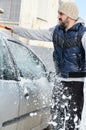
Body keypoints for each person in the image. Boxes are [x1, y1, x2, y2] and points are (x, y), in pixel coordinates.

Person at [5, 2, 86, 130]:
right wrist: (15, 29)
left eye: (61, 14)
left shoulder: (83, 32)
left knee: (72, 120)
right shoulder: (56, 31)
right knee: (56, 118)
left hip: (75, 82)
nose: (58, 16)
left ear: (70, 15)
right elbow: (35, 33)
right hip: (59, 80)